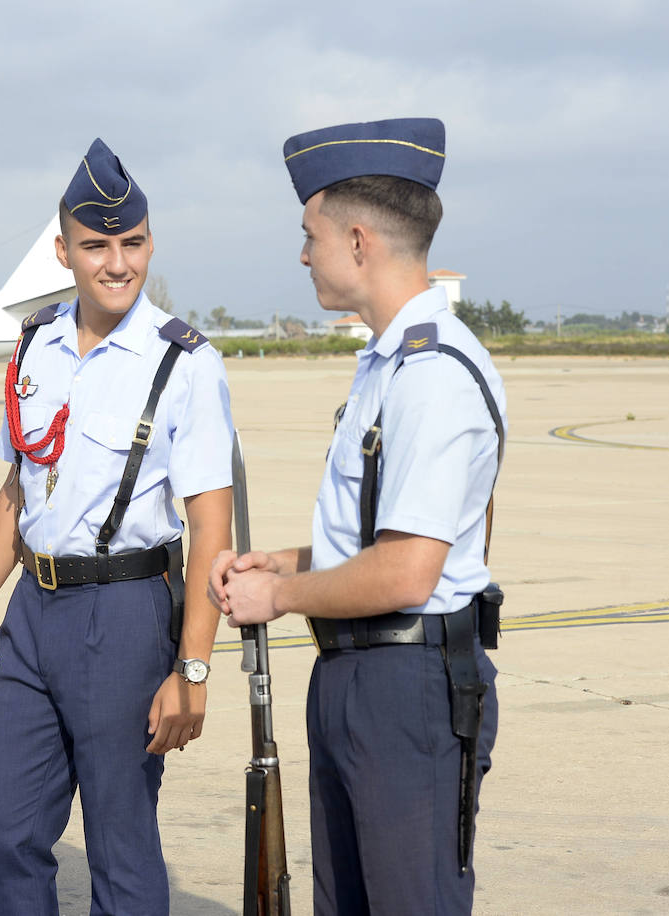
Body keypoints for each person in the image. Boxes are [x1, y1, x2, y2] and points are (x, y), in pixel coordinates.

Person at [0, 138, 234, 915]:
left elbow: (211, 531)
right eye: (97, 245)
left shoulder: (184, 363)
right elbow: (16, 495)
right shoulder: (35, 344)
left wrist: (192, 668)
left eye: (131, 243)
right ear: (64, 250)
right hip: (35, 612)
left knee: (120, 850)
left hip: (126, 616)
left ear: (150, 243)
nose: (118, 262)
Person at [209, 117, 506, 914]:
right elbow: (377, 539)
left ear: (359, 240)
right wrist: (283, 564)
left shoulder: (433, 375)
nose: (304, 253)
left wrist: (278, 598)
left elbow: (409, 570)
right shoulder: (387, 364)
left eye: (311, 234)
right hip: (360, 672)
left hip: (406, 685)